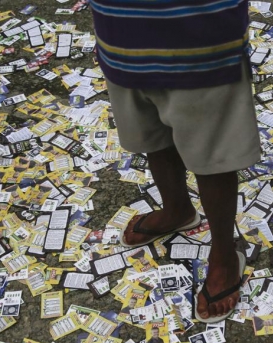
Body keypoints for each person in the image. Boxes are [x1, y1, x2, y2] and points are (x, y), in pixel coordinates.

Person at [89, 0, 260, 323]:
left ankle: (224, 253)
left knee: (213, 158)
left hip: (201, 41)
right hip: (121, 35)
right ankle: (177, 210)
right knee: (152, 138)